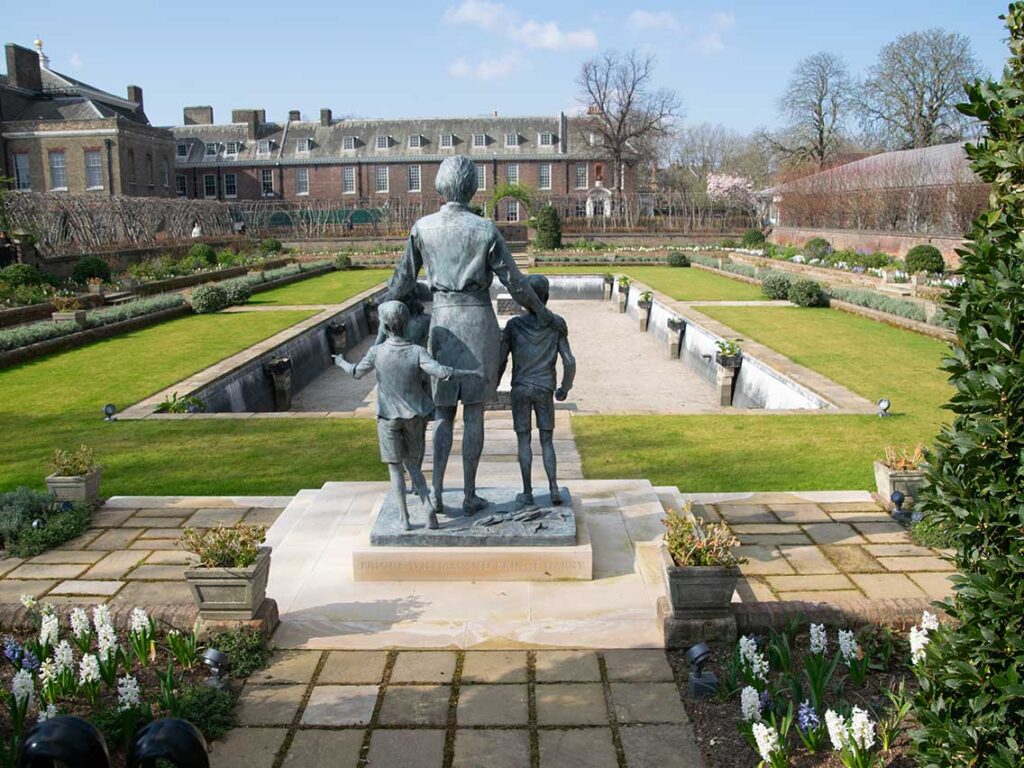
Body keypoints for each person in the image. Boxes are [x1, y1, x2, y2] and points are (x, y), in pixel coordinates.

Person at [384, 155, 566, 516]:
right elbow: (515, 283)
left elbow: (401, 283)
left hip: (444, 322)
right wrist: (545, 314)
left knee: (442, 413)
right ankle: (467, 494)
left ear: (440, 185)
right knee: (474, 414)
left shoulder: (423, 227)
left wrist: (388, 313)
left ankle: (435, 492)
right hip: (479, 321)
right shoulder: (485, 229)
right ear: (472, 187)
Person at [334, 301, 483, 531]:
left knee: (395, 469)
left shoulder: (377, 352)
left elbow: (355, 373)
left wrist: (340, 361)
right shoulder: (416, 351)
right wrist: (472, 372)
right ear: (405, 324)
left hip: (388, 418)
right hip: (414, 416)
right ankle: (427, 506)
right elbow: (442, 373)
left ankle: (404, 519)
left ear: (384, 325)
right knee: (413, 466)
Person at [498, 274, 576, 508]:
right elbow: (569, 361)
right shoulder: (556, 324)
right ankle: (553, 487)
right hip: (544, 387)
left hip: (521, 388)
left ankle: (528, 491)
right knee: (547, 440)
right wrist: (564, 387)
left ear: (524, 300)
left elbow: (501, 361)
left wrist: (492, 386)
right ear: (547, 297)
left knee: (524, 440)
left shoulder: (513, 326)